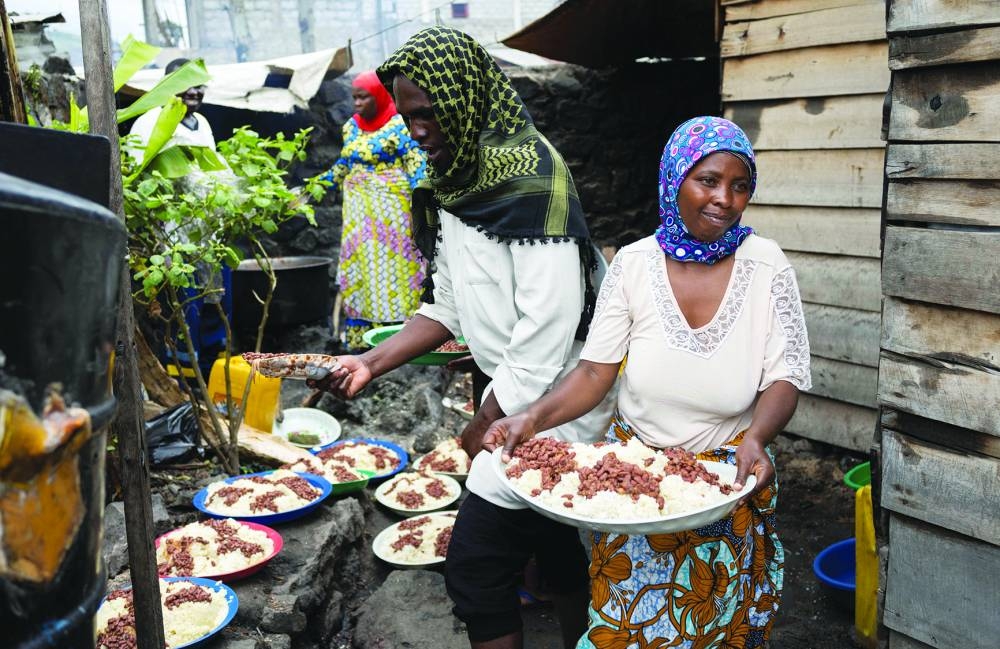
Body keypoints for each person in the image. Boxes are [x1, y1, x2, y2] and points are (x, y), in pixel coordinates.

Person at [314, 27, 614, 649]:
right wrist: (371, 361)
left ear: (467, 100)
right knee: (556, 544)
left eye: (428, 113)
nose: (417, 128)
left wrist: (485, 421)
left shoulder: (534, 180)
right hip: (514, 392)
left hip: (557, 396)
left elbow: (549, 329)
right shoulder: (456, 180)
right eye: (408, 114)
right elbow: (446, 303)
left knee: (475, 568)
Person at [482, 116, 812, 648]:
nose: (725, 199)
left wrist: (757, 438)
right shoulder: (634, 265)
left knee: (712, 629)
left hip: (722, 485)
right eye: (708, 180)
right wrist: (531, 417)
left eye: (740, 185)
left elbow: (785, 375)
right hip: (633, 486)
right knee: (622, 630)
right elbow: (594, 373)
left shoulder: (766, 265)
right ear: (674, 177)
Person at [321, 71, 428, 350]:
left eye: (363, 97)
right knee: (360, 269)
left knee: (394, 270)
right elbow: (342, 167)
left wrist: (425, 206)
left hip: (392, 214)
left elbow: (417, 168)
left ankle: (400, 341)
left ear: (379, 96)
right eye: (354, 97)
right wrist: (311, 188)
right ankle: (363, 340)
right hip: (357, 215)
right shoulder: (351, 128)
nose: (356, 103)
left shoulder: (399, 127)